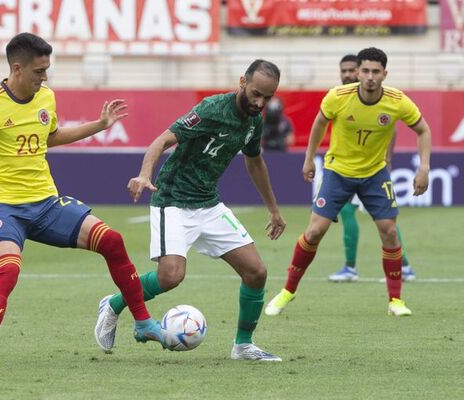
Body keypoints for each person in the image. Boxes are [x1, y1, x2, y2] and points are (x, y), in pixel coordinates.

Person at [0, 32, 165, 369]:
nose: (45, 77)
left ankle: (142, 322)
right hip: (3, 205)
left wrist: (99, 125)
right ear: (17, 69)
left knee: (111, 240)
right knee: (8, 271)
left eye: (47, 69)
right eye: (39, 71)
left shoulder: (45, 97)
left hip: (47, 203)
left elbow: (50, 137)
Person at [94, 60, 287, 361]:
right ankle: (114, 304)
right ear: (242, 82)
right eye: (255, 93)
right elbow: (162, 140)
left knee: (256, 272)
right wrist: (145, 175)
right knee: (170, 276)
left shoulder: (254, 121)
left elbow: (254, 161)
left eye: (267, 97)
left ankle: (243, 345)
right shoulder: (212, 109)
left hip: (208, 203)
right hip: (172, 200)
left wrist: (273, 210)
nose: (259, 102)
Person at [264, 48, 431, 317]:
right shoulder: (338, 97)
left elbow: (423, 129)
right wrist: (309, 159)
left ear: (384, 74)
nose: (369, 77)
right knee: (315, 231)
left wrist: (424, 168)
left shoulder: (397, 101)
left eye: (376, 72)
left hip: (374, 174)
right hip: (338, 172)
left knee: (388, 229)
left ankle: (396, 301)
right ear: (358, 73)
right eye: (365, 71)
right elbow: (319, 124)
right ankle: (287, 291)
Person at [328, 54, 416, 283]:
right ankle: (352, 267)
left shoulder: (377, 97)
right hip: (346, 168)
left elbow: (390, 128)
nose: (347, 74)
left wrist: (387, 160)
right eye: (343, 71)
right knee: (350, 213)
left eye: (350, 70)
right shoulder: (339, 97)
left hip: (372, 171)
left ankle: (400, 266)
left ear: (357, 71)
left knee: (385, 220)